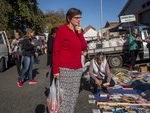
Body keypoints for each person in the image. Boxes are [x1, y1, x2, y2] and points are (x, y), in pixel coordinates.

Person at [52, 8, 87, 113]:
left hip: (77, 69)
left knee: (74, 95)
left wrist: (80, 33)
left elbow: (84, 47)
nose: (79, 20)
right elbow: (55, 51)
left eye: (80, 18)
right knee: (65, 97)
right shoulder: (62, 30)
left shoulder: (77, 32)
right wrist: (56, 70)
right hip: (65, 69)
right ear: (69, 18)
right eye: (76, 18)